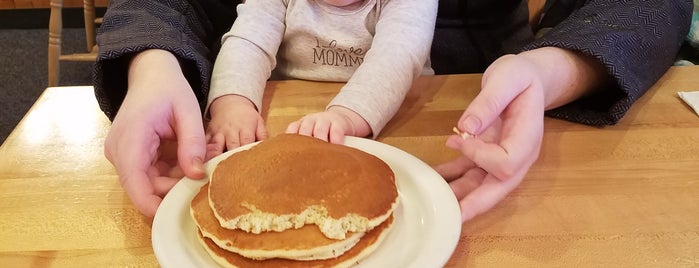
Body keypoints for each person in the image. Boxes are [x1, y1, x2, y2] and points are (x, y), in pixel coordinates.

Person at [94, 0, 693, 219]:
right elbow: (248, 35)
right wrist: (225, 97)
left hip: (436, 134)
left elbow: (399, 57)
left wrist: (550, 68)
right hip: (280, 133)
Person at [205, 0, 436, 155]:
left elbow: (397, 57)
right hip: (289, 118)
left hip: (399, 122)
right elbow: (248, 41)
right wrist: (233, 103)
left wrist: (345, 116)